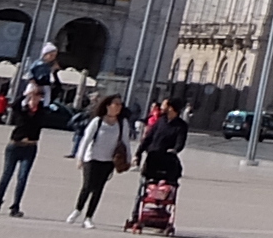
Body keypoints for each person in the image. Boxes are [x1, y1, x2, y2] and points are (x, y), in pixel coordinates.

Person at [68, 93, 136, 228]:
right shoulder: (97, 121)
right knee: (87, 186)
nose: (118, 107)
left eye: (120, 105)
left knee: (98, 189)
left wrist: (129, 158)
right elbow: (86, 139)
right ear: (108, 106)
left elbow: (125, 142)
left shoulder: (122, 123)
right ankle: (78, 209)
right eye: (116, 104)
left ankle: (88, 217)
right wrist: (79, 158)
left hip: (108, 161)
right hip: (92, 158)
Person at [0, 79, 47, 217]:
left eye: (39, 96)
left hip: (30, 147)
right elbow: (14, 104)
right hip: (14, 146)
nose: (36, 98)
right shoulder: (21, 109)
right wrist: (26, 93)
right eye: (34, 95)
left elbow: (49, 100)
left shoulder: (42, 111)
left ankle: (15, 206)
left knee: (22, 177)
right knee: (6, 175)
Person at [138, 99, 190, 184]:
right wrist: (139, 152)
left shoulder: (181, 125)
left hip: (167, 159)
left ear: (171, 108)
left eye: (164, 105)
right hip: (152, 157)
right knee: (147, 184)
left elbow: (180, 141)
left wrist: (175, 150)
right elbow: (149, 137)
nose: (161, 107)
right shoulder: (160, 120)